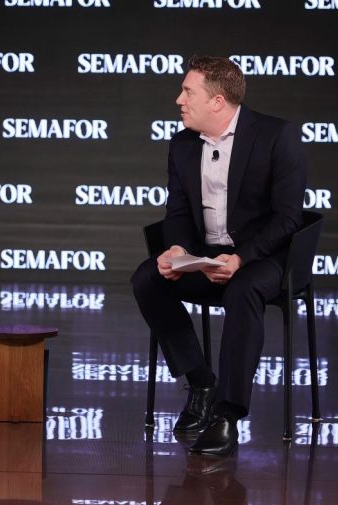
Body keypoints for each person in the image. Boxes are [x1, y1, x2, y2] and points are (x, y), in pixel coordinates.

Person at [131, 55, 306, 456]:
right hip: (206, 256)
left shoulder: (276, 136)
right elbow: (176, 212)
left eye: (188, 91)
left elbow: (287, 218)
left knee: (242, 291)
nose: (179, 100)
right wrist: (177, 250)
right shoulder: (181, 144)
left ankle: (227, 414)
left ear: (218, 101)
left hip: (263, 261)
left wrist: (241, 258)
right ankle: (200, 382)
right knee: (147, 278)